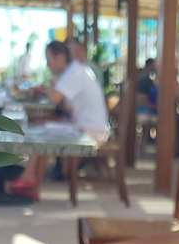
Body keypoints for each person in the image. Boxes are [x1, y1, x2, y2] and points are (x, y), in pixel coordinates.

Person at [8, 40, 109, 200]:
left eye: (49, 60)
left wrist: (43, 88)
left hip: (90, 132)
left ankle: (28, 180)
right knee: (41, 126)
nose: (48, 65)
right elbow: (64, 103)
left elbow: (55, 98)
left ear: (60, 57)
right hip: (89, 126)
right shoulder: (77, 70)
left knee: (41, 133)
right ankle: (31, 182)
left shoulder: (74, 72)